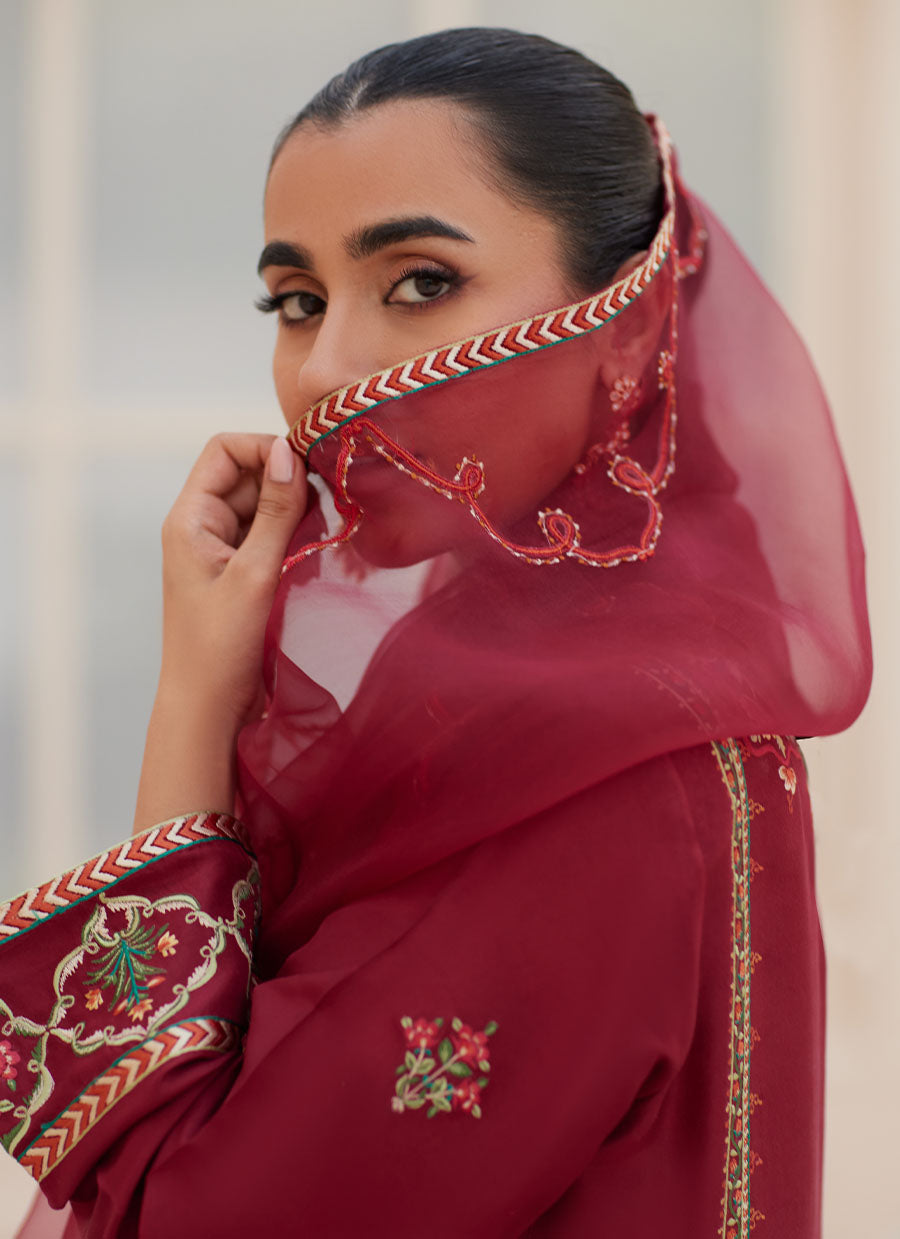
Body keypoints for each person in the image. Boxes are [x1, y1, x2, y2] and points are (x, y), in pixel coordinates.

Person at [1, 27, 871, 1238]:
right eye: (295, 302)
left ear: (624, 324)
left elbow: (179, 1218)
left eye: (419, 283)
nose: (332, 370)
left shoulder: (605, 778)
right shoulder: (527, 700)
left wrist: (192, 703)